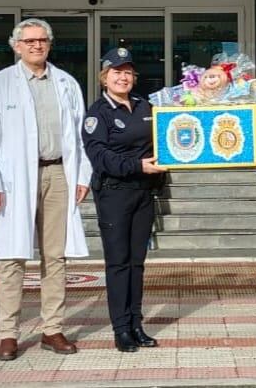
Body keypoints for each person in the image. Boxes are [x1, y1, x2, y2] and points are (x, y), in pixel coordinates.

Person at [0, 18, 92, 361]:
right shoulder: (0, 83)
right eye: (29, 41)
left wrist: (82, 176)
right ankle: (8, 333)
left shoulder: (66, 83)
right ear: (16, 46)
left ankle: (52, 329)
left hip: (58, 174)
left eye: (42, 40)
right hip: (14, 179)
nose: (36, 46)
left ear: (49, 44)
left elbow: (79, 136)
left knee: (55, 257)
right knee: (12, 256)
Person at [81, 48, 167, 353]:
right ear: (105, 77)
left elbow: (166, 137)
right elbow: (100, 156)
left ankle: (136, 324)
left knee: (137, 263)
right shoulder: (97, 113)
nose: (123, 77)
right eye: (117, 72)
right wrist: (136, 166)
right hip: (115, 193)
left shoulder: (146, 106)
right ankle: (121, 328)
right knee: (118, 263)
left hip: (144, 192)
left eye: (128, 72)